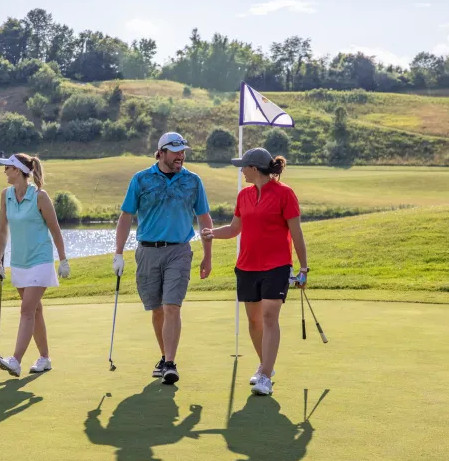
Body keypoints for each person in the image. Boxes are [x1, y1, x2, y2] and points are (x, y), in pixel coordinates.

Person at [201, 147, 308, 396]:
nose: (241, 170)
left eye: (243, 166)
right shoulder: (244, 195)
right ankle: (265, 366)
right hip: (246, 265)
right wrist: (212, 233)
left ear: (254, 168)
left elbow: (297, 233)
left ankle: (266, 376)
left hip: (277, 265)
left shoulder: (285, 194)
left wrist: (303, 269)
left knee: (270, 317)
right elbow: (235, 228)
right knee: (254, 321)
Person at [113, 132, 213, 385]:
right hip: (147, 251)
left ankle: (170, 362)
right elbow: (126, 216)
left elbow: (204, 219)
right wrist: (118, 253)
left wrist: (207, 255)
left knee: (171, 306)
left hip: (179, 251)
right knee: (157, 309)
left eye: (183, 151)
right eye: (175, 151)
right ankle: (163, 356)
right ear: (161, 152)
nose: (181, 156)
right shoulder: (141, 179)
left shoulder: (193, 181)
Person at [0, 153, 70, 377]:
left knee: (26, 310)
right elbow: (2, 230)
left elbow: (55, 229)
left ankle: (15, 361)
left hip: (40, 261)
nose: (5, 171)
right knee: (35, 310)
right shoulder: (6, 195)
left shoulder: (40, 197)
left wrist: (63, 259)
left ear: (17, 170)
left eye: (7, 167)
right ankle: (45, 358)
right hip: (19, 262)